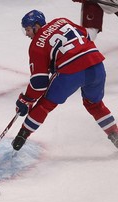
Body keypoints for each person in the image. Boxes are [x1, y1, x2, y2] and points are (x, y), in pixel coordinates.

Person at [11, 9, 118, 152]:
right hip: (96, 65)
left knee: (45, 104)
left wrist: (26, 100)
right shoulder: (62, 20)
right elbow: (86, 35)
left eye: (28, 30)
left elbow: (39, 84)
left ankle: (21, 136)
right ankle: (115, 135)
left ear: (37, 26)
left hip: (71, 72)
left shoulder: (36, 44)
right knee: (94, 104)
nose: (27, 34)